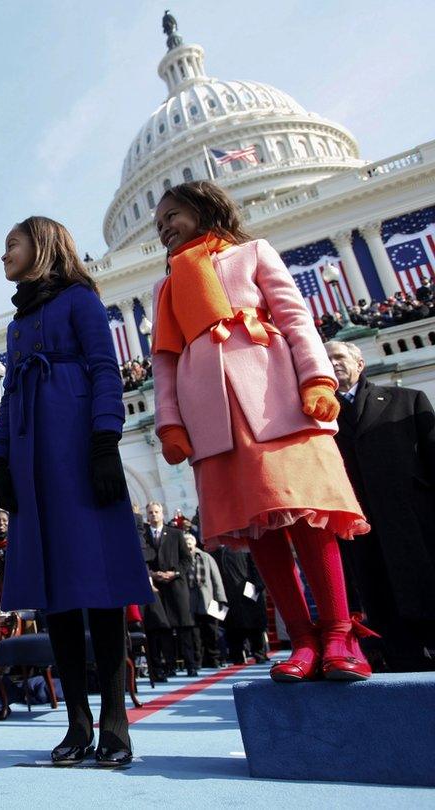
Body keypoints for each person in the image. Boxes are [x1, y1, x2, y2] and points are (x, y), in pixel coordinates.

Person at [150, 180, 371, 685]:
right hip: (215, 421)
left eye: (173, 215)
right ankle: (303, 639)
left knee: (310, 519)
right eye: (159, 222)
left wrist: (317, 378)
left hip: (275, 402)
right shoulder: (165, 288)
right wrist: (170, 422)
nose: (165, 227)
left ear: (204, 210)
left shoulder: (252, 252)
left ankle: (338, 633)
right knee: (259, 531)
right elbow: (164, 362)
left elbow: (295, 318)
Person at [0, 216, 153, 768]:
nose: (3, 255)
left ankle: (113, 718)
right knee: (53, 588)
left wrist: (106, 439)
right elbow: (10, 397)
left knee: (99, 584)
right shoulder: (17, 324)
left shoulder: (80, 300)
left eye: (11, 244)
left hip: (78, 452)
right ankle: (76, 719)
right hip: (33, 461)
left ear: (42, 245)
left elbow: (106, 369)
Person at [326, 340, 435, 671]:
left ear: (359, 363)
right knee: (385, 612)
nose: (333, 363)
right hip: (362, 535)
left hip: (415, 527)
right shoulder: (320, 421)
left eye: (339, 357)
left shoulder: (409, 400)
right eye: (326, 359)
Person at [140, 502, 196, 678]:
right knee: (161, 628)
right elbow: (143, 559)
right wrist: (152, 574)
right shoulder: (144, 536)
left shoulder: (176, 534)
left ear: (162, 513)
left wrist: (175, 572)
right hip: (156, 587)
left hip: (176, 585)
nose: (154, 515)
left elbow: (187, 560)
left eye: (156, 512)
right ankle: (168, 666)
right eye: (150, 513)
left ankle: (190, 665)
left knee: (183, 626)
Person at [213, 546, 268, 664]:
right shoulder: (216, 551)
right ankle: (236, 656)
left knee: (254, 626)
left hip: (248, 592)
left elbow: (256, 567)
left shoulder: (244, 548)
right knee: (232, 628)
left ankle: (259, 653)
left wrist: (257, 586)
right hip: (228, 595)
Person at [185, 533, 227, 669]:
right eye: (185, 542)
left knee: (211, 632)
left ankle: (214, 659)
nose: (188, 544)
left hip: (208, 600)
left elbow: (216, 578)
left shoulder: (206, 557)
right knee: (195, 635)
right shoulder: (182, 559)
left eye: (190, 541)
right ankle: (198, 661)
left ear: (195, 543)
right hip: (190, 603)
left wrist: (220, 598)